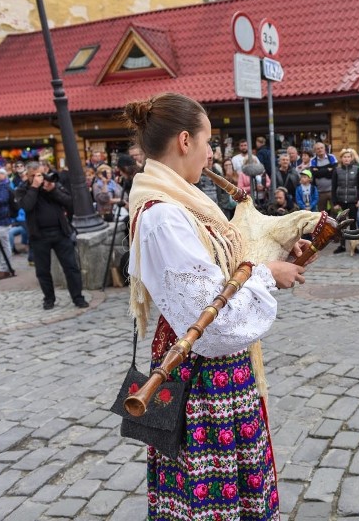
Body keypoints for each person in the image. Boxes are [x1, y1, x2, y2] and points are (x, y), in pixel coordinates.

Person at [123, 92, 306, 521]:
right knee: (211, 485)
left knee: (232, 478)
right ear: (185, 141)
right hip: (201, 369)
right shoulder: (163, 215)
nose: (212, 152)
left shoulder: (184, 200)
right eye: (209, 142)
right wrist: (266, 275)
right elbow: (211, 316)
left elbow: (219, 266)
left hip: (213, 363)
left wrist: (275, 257)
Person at [15, 163, 88, 309]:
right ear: (29, 176)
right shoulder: (22, 189)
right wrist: (35, 187)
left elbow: (69, 202)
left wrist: (53, 190)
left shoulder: (52, 184)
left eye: (42, 173)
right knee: (42, 271)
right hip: (39, 236)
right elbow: (26, 206)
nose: (41, 177)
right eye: (37, 175)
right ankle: (49, 299)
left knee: (71, 267)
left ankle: (78, 298)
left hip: (61, 233)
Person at [331, 148, 359, 253]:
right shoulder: (337, 170)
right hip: (340, 202)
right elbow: (333, 187)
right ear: (341, 158)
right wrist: (335, 202)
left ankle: (354, 246)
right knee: (340, 224)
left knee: (353, 224)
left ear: (351, 158)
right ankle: (342, 246)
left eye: (348, 157)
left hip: (353, 201)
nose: (346, 159)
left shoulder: (357, 169)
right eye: (344, 157)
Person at [309, 141, 337, 212]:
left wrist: (319, 170)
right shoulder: (313, 160)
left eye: (321, 148)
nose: (320, 150)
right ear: (315, 151)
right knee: (322, 213)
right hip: (319, 192)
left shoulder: (331, 157)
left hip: (332, 190)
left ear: (325, 149)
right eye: (318, 149)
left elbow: (334, 172)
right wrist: (327, 169)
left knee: (335, 211)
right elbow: (314, 173)